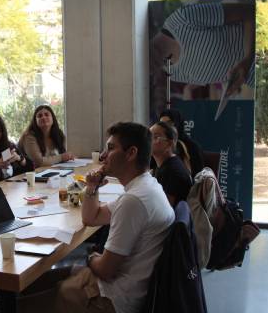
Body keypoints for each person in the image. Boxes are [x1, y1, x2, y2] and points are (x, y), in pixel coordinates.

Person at [18, 122, 175, 313]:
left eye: (110, 148)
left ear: (131, 153)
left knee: (23, 305)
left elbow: (105, 270)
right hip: (120, 284)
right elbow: (92, 218)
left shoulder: (133, 201)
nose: (103, 155)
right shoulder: (146, 186)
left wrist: (91, 256)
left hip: (111, 299)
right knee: (48, 278)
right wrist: (92, 187)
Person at [150, 2, 255, 119]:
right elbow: (221, 72)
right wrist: (230, 85)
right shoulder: (173, 73)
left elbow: (249, 12)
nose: (150, 71)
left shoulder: (182, 19)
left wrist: (247, 58)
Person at [150, 121, 193, 207]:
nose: (149, 141)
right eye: (148, 136)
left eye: (155, 137)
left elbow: (165, 211)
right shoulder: (164, 165)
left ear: (169, 144)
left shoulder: (172, 172)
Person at [159, 108, 204, 177]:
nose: (165, 127)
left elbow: (198, 176)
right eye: (162, 124)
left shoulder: (192, 147)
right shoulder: (159, 144)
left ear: (178, 124)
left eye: (169, 123)